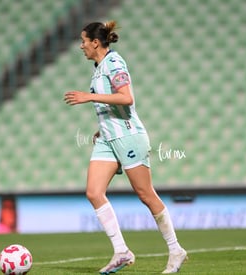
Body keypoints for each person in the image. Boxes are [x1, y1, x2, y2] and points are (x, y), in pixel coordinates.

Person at [64, 21, 187, 274]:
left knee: (145, 194)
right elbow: (113, 105)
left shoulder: (114, 63)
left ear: (95, 42)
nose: (81, 46)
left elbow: (126, 97)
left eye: (83, 41)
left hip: (129, 137)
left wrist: (89, 97)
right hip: (108, 139)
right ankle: (122, 251)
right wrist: (103, 125)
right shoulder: (98, 69)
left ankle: (176, 250)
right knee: (93, 192)